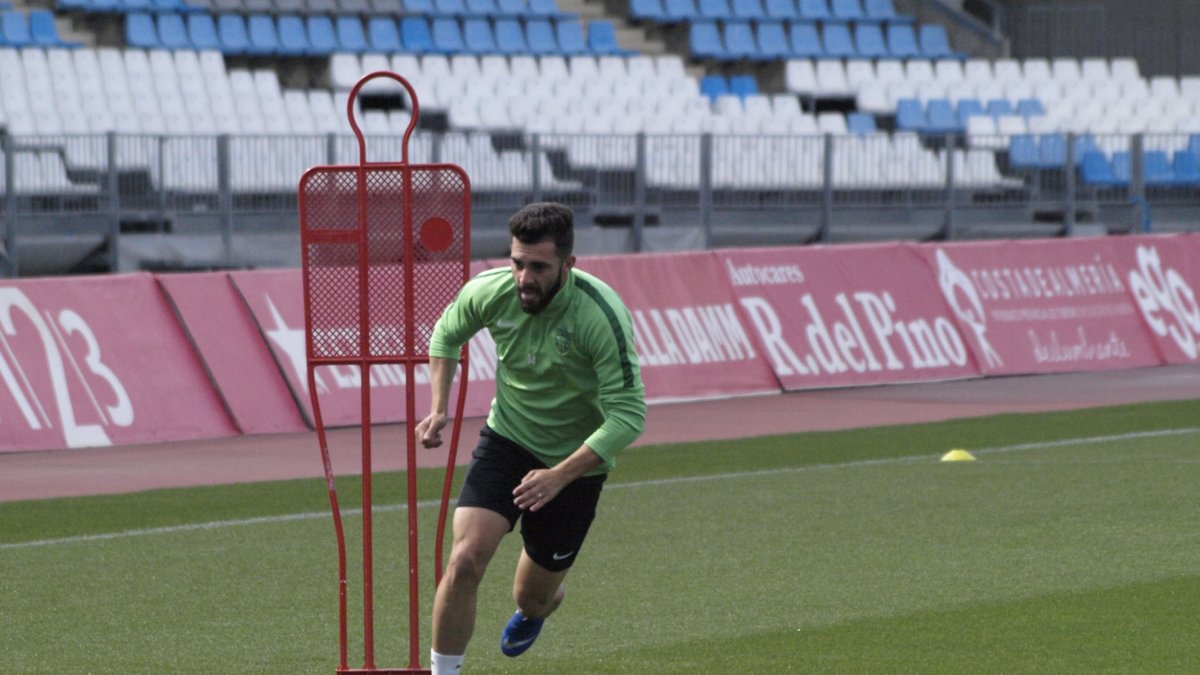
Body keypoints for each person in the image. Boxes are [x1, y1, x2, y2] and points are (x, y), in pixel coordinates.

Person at [417, 202, 646, 674]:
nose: (524, 276)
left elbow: (628, 417)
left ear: (569, 265)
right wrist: (439, 406)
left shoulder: (600, 315)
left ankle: (535, 609)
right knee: (464, 561)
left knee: (533, 595)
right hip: (507, 441)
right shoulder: (491, 291)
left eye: (539, 267)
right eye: (518, 262)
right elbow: (445, 335)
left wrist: (559, 476)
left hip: (576, 465)